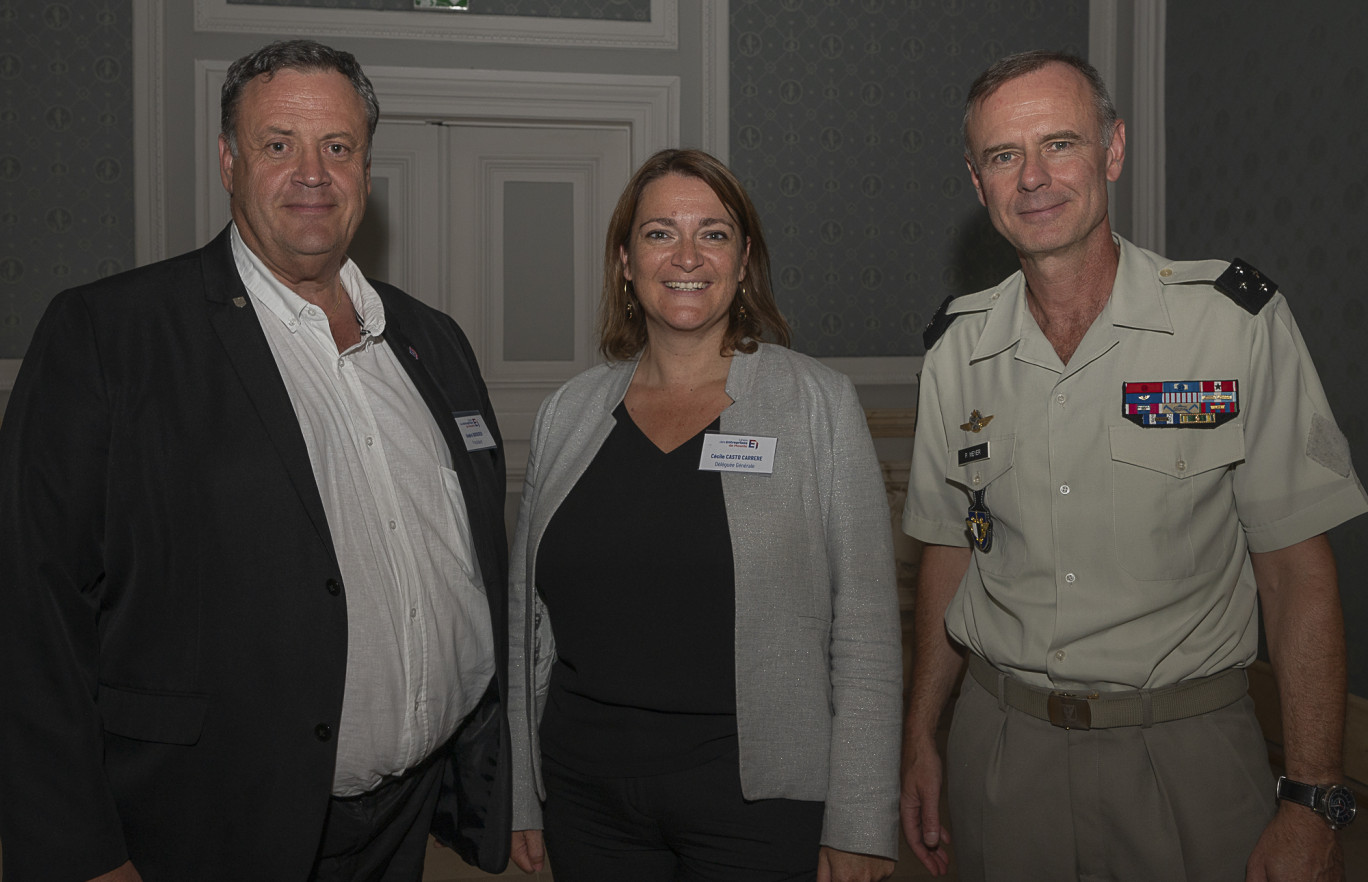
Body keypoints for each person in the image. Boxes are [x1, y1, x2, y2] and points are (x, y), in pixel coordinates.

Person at [0, 40, 511, 881]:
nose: (312, 173)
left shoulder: (430, 339)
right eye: (279, 145)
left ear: (368, 171)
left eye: (337, 147)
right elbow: (32, 608)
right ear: (229, 162)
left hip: (402, 817)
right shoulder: (111, 334)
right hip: (206, 819)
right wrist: (80, 852)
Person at [900, 49, 1368, 881]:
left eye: (1061, 144)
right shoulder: (955, 350)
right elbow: (948, 552)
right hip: (1000, 752)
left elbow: (1297, 575)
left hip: (1188, 755)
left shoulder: (1233, 325)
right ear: (979, 185)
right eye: (1004, 156)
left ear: (1112, 151)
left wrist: (1313, 796)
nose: (1034, 177)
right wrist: (921, 740)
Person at [504, 148, 902, 882]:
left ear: (744, 259)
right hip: (586, 796)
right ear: (625, 260)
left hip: (755, 803)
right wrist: (523, 794)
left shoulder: (816, 403)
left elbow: (868, 628)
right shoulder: (570, 412)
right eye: (659, 233)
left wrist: (862, 819)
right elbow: (527, 625)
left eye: (713, 233)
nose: (686, 255)